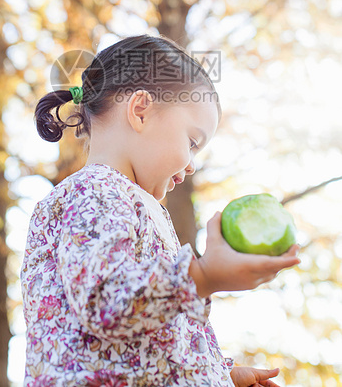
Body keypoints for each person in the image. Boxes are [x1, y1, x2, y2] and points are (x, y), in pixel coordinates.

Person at [20, 34, 300, 387]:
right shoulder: (94, 191)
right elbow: (105, 300)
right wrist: (203, 277)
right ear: (140, 110)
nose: (193, 164)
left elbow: (145, 335)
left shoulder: (131, 205)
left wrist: (218, 375)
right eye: (193, 142)